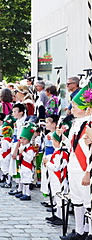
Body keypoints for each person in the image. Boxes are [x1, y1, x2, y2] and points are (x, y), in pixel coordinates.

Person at [59, 87, 92, 240]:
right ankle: (79, 231)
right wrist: (62, 138)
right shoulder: (75, 124)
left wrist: (88, 172)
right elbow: (73, 147)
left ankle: (90, 232)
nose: (71, 108)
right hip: (73, 166)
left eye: (74, 105)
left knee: (88, 201)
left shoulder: (89, 124)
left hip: (85, 168)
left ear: (86, 109)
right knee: (77, 200)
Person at [15, 122, 37, 200]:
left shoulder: (30, 149)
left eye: (25, 139)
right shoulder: (22, 146)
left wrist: (23, 153)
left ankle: (27, 194)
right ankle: (23, 192)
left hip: (27, 166)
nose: (22, 140)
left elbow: (29, 158)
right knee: (23, 179)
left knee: (27, 180)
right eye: (21, 138)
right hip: (22, 165)